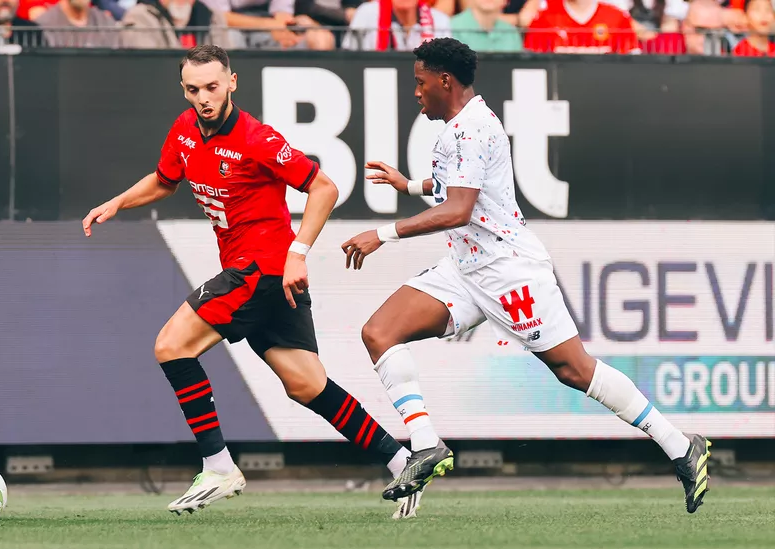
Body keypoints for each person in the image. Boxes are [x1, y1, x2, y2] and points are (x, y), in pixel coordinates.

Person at [341, 37, 713, 513]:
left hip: (508, 270)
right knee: (379, 332)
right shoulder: (455, 128)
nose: (415, 91)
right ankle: (427, 445)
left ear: (444, 81)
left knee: (574, 370)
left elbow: (458, 209)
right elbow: (454, 188)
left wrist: (383, 234)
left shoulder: (472, 128)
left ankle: (681, 447)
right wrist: (407, 184)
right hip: (464, 268)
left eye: (419, 82)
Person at [82, 45, 418, 519]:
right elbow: (165, 180)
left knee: (171, 346)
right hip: (271, 279)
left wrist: (298, 253)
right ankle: (402, 459)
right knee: (306, 385)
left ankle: (218, 466)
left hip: (261, 269)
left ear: (232, 83)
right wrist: (117, 202)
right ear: (184, 90)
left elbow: (325, 187)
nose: (203, 97)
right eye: (193, 89)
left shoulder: (257, 138)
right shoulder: (183, 131)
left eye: (212, 87)